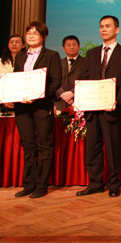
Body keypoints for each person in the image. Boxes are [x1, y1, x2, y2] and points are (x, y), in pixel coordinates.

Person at [76, 15, 121, 198]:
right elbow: (84, 79)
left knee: (112, 148)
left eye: (108, 26)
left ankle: (114, 184)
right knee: (92, 148)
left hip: (112, 109)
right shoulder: (92, 53)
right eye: (101, 26)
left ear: (117, 30)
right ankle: (95, 183)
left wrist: (115, 100)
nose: (103, 29)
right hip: (93, 109)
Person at [3, 22, 61, 198]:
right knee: (28, 146)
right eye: (29, 33)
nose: (31, 35)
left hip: (41, 106)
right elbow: (16, 80)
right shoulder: (21, 56)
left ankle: (41, 186)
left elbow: (56, 81)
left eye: (36, 33)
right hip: (22, 107)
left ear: (44, 36)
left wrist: (39, 95)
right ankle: (29, 184)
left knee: (43, 145)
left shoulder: (51, 55)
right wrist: (10, 97)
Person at [55, 35, 86, 112]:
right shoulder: (57, 62)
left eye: (74, 45)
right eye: (68, 45)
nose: (71, 47)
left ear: (79, 47)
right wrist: (63, 94)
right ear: (63, 48)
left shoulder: (86, 62)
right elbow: (54, 80)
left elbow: (87, 80)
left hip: (79, 102)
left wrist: (72, 92)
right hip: (60, 103)